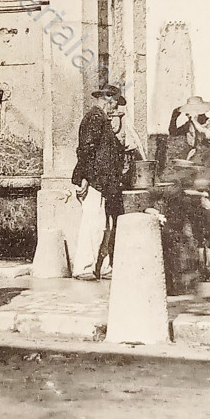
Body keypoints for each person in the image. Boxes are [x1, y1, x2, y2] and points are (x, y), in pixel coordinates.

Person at [71, 84, 129, 280]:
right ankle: (84, 268)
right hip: (95, 180)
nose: (116, 109)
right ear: (108, 100)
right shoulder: (95, 118)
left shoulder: (102, 120)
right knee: (93, 223)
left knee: (103, 225)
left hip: (103, 181)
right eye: (115, 104)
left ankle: (102, 267)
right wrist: (85, 177)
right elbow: (86, 149)